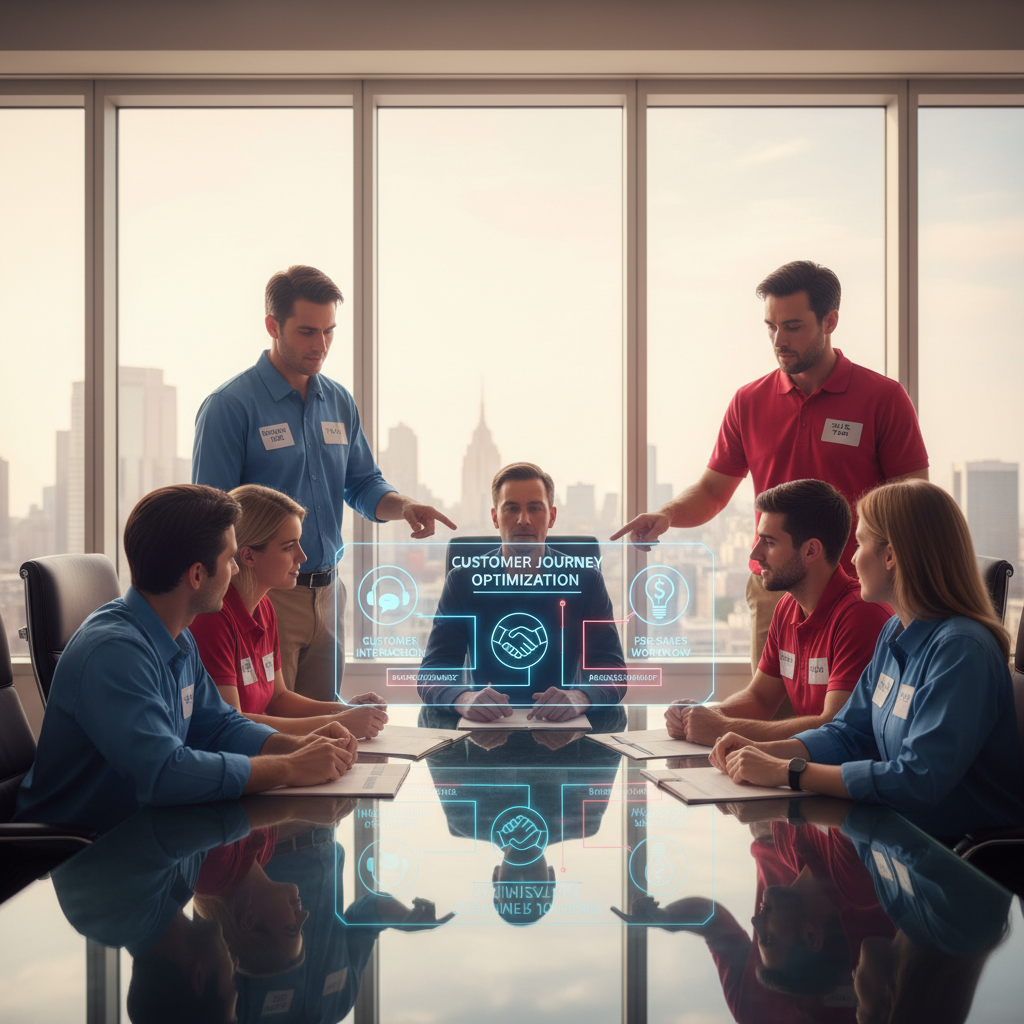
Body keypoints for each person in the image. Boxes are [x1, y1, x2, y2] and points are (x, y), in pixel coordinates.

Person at [612, 260, 929, 673]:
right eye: (771, 327)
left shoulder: (883, 398)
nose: (779, 340)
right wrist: (667, 515)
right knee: (770, 714)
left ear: (830, 321)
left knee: (860, 721)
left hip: (863, 590)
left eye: (793, 326)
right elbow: (712, 491)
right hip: (774, 588)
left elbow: (913, 500)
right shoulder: (749, 401)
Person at [15, 484, 358, 833]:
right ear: (196, 575)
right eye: (229, 560)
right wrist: (290, 767)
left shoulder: (178, 637)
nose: (236, 571)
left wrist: (299, 747)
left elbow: (220, 725)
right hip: (80, 856)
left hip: (147, 840)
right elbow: (164, 774)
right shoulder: (113, 653)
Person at [192, 265, 455, 702]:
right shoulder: (229, 406)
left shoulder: (338, 400)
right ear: (272, 326)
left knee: (324, 732)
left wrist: (403, 505)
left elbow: (363, 483)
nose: (321, 346)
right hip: (264, 597)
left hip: (329, 594)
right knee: (270, 736)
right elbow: (212, 516)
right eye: (307, 332)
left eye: (330, 332)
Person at [710, 479, 1024, 838]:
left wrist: (788, 771)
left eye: (860, 544)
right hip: (900, 836)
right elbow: (848, 733)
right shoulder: (893, 632)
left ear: (891, 556)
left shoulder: (963, 650)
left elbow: (917, 779)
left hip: (960, 862)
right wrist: (762, 751)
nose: (853, 557)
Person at [667, 479, 891, 746]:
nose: (755, 554)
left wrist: (720, 727)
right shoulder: (787, 607)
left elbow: (832, 725)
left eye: (769, 542)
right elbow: (760, 699)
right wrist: (700, 716)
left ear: (810, 550)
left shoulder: (860, 615)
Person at [418, 462, 626, 722]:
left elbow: (613, 670)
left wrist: (581, 696)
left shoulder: (586, 580)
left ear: (551, 516)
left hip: (564, 732)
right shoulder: (463, 581)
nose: (523, 519)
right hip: (484, 732)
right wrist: (463, 698)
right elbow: (433, 672)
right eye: (512, 508)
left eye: (535, 508)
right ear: (495, 517)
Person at [190, 484, 388, 739]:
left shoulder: (265, 608)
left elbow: (278, 698)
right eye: (288, 547)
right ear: (248, 556)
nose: (302, 557)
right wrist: (339, 722)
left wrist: (345, 710)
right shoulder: (213, 617)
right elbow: (233, 724)